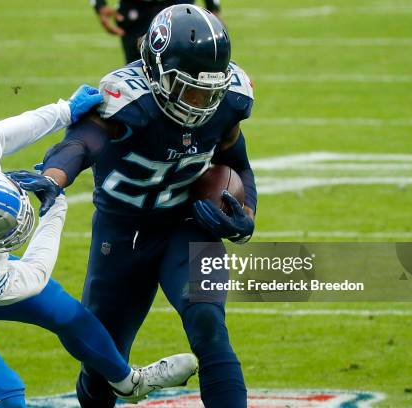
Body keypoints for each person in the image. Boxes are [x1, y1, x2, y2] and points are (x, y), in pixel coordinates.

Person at [0, 85, 198, 408]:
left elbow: (1, 133)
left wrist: (64, 110)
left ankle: (127, 383)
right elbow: (35, 273)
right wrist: (56, 209)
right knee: (6, 395)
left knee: (67, 312)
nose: (16, 230)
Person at [24, 5, 256, 407]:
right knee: (102, 364)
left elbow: (236, 165)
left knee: (208, 323)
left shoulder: (229, 100)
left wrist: (245, 216)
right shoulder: (128, 99)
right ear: (156, 70)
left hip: (188, 221)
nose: (202, 103)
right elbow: (81, 144)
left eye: (210, 92)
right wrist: (53, 178)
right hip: (123, 231)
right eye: (191, 89)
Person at [92, 0, 221, 63]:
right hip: (136, 10)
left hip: (178, 5)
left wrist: (213, 7)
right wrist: (99, 5)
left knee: (187, 68)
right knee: (138, 74)